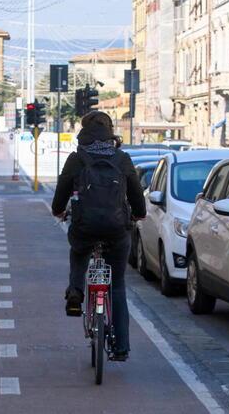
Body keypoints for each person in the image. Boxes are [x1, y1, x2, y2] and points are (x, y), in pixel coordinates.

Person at [51, 111, 146, 362]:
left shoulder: (76, 158)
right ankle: (122, 346)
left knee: (79, 251)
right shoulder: (122, 159)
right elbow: (136, 194)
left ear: (84, 132)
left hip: (85, 226)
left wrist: (58, 210)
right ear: (110, 131)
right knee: (118, 285)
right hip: (117, 229)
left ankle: (75, 291)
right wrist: (139, 214)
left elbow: (62, 190)